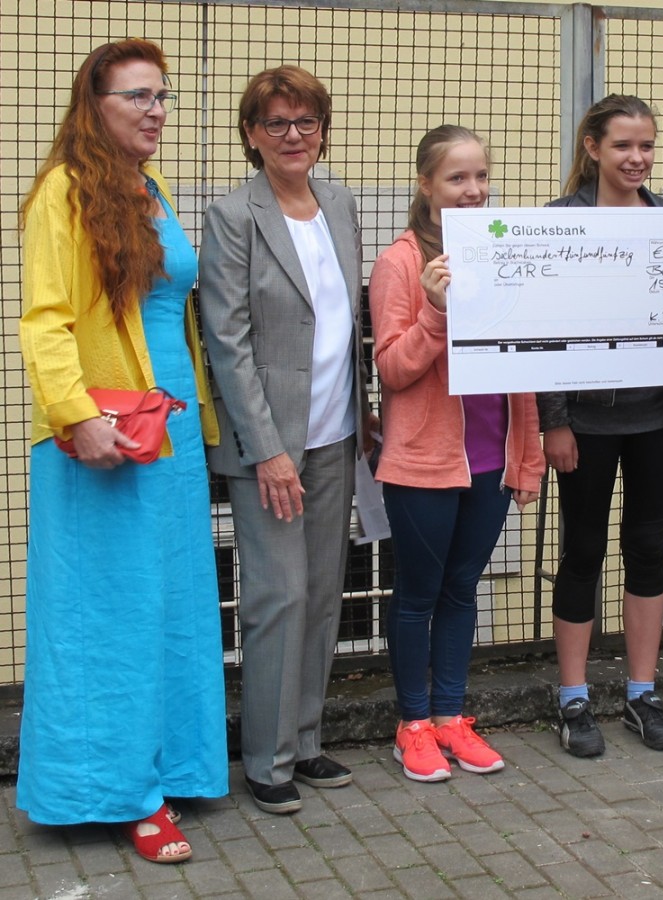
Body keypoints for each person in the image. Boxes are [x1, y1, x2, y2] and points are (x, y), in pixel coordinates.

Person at [17, 39, 227, 863]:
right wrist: (76, 416)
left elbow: (171, 313)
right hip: (101, 439)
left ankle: (175, 768)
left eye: (162, 96)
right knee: (108, 616)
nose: (156, 110)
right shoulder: (63, 194)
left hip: (164, 434)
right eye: (137, 96)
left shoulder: (150, 188)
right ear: (93, 106)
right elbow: (47, 319)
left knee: (170, 607)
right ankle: (117, 794)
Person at [198, 66, 372, 812]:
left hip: (335, 434)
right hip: (271, 444)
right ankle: (264, 760)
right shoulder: (232, 215)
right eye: (276, 124)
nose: (293, 136)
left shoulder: (339, 203)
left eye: (305, 122)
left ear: (322, 130)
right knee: (278, 595)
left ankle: (304, 742)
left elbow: (346, 323)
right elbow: (226, 340)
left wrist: (362, 415)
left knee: (324, 595)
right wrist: (267, 448)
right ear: (252, 135)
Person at [369, 125, 544, 783]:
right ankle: (412, 726)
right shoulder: (401, 262)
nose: (473, 191)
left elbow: (523, 360)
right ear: (425, 185)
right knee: (419, 595)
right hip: (425, 461)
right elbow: (391, 368)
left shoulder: (504, 251)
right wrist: (436, 312)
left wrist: (525, 456)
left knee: (462, 590)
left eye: (479, 177)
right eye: (456, 179)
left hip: (489, 457)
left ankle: (450, 718)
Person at [539, 95, 663, 758]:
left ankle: (640, 692)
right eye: (624, 145)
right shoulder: (558, 223)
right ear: (593, 147)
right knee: (583, 551)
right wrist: (554, 421)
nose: (637, 158)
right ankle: (573, 699)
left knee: (647, 548)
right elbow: (537, 329)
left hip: (661, 416)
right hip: (586, 425)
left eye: (647, 146)